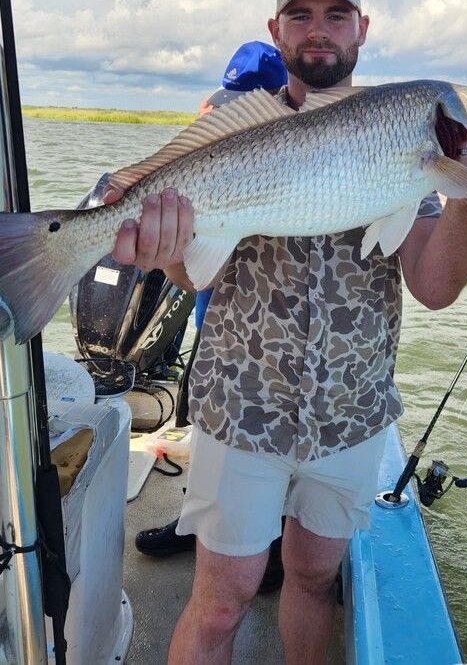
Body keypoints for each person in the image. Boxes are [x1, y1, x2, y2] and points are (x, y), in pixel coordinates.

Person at [110, 0, 467, 665]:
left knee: (313, 575)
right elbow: (188, 271)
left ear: (362, 29)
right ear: (277, 30)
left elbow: (435, 285)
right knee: (223, 596)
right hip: (244, 406)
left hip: (351, 413)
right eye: (301, 15)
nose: (318, 29)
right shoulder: (238, 126)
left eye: (336, 14)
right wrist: (162, 248)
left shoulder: (405, 128)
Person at [132, 41, 288, 595]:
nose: (222, 116)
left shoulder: (290, 156)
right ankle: (196, 523)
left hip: (274, 349)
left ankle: (271, 548)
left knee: (271, 447)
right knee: (202, 410)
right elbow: (191, 273)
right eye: (222, 105)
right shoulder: (209, 151)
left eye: (237, 105)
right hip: (212, 319)